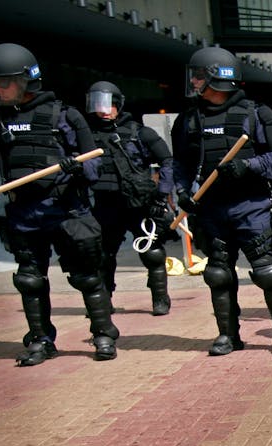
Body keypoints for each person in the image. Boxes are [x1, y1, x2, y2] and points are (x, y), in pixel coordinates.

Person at [0, 43, 121, 365]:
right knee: (29, 280)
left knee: (87, 277)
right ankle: (41, 340)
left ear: (27, 80)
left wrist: (76, 166)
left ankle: (103, 333)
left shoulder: (64, 115)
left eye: (4, 82)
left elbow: (94, 165)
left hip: (66, 210)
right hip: (24, 213)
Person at [171, 46, 272, 356]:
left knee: (266, 271)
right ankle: (228, 335)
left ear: (216, 78)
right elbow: (182, 165)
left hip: (250, 206)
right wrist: (183, 192)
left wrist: (248, 166)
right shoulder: (188, 120)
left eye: (199, 76)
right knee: (217, 274)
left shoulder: (257, 114)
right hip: (212, 209)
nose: (194, 82)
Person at [83, 80, 175, 316]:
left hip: (139, 203)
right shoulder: (86, 137)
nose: (101, 110)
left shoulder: (139, 132)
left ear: (118, 105)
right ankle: (104, 301)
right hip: (106, 205)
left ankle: (160, 298)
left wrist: (162, 194)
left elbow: (167, 161)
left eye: (106, 104)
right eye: (96, 104)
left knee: (152, 251)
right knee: (102, 255)